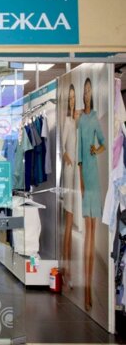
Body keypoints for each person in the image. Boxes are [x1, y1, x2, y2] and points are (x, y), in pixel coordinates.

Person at [78, 77, 106, 311]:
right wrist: (80, 182)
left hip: (94, 175)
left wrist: (96, 149)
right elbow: (78, 152)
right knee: (87, 232)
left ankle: (89, 290)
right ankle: (86, 289)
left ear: (92, 94)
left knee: (91, 231)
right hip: (84, 175)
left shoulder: (95, 117)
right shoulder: (80, 119)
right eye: (84, 91)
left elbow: (103, 143)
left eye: (89, 91)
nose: (87, 94)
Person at [61, 83, 78, 289]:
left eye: (74, 97)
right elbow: (62, 147)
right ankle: (67, 269)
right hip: (69, 170)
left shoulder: (80, 120)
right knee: (69, 219)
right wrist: (66, 157)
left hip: (80, 172)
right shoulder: (67, 121)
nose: (72, 101)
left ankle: (69, 268)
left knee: (73, 221)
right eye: (70, 98)